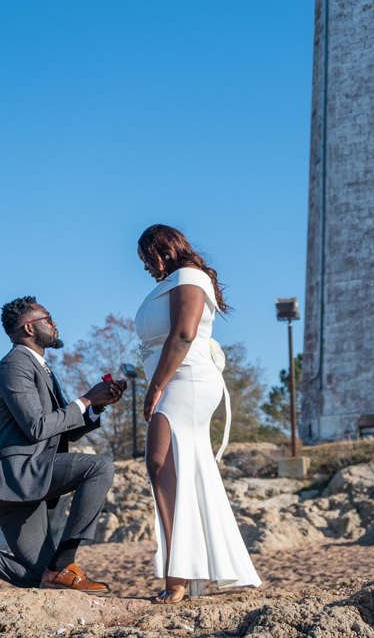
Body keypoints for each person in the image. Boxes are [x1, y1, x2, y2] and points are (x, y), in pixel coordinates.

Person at [0, 296, 127, 592]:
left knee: (40, 581)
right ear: (29, 328)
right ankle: (62, 565)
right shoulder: (14, 364)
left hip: (28, 478)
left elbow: (62, 431)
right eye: (48, 318)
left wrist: (95, 407)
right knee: (99, 467)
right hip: (12, 475)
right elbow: (37, 427)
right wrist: (85, 400)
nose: (55, 323)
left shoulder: (41, 367)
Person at [135, 225, 262, 603]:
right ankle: (184, 573)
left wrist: (155, 386)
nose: (144, 266)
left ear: (163, 250)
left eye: (146, 257)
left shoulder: (189, 277)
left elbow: (184, 335)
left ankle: (179, 575)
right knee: (178, 470)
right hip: (175, 380)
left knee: (160, 465)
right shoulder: (173, 280)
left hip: (184, 381)